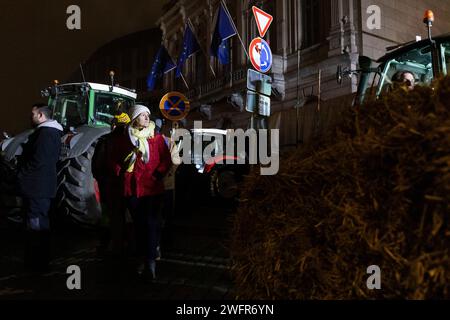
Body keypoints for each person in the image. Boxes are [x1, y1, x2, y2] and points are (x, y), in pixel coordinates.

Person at [109, 105, 171, 281]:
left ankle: (150, 262)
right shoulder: (124, 139)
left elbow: (166, 159)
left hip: (152, 189)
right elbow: (113, 159)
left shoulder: (156, 138)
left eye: (147, 115)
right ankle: (141, 259)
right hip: (133, 190)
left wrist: (158, 174)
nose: (146, 118)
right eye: (142, 115)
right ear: (134, 118)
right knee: (138, 226)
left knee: (151, 225)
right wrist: (120, 171)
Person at [17, 103, 63, 272]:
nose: (31, 116)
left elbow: (39, 161)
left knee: (36, 225)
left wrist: (22, 175)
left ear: (41, 116)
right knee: (36, 223)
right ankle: (37, 261)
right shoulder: (46, 133)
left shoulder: (46, 134)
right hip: (38, 186)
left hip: (37, 187)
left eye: (33, 113)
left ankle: (37, 263)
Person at [92, 101, 131, 257]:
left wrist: (102, 180)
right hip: (128, 186)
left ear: (114, 125)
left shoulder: (104, 141)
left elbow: (96, 166)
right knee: (125, 215)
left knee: (108, 216)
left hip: (109, 186)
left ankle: (107, 244)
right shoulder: (132, 141)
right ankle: (125, 244)